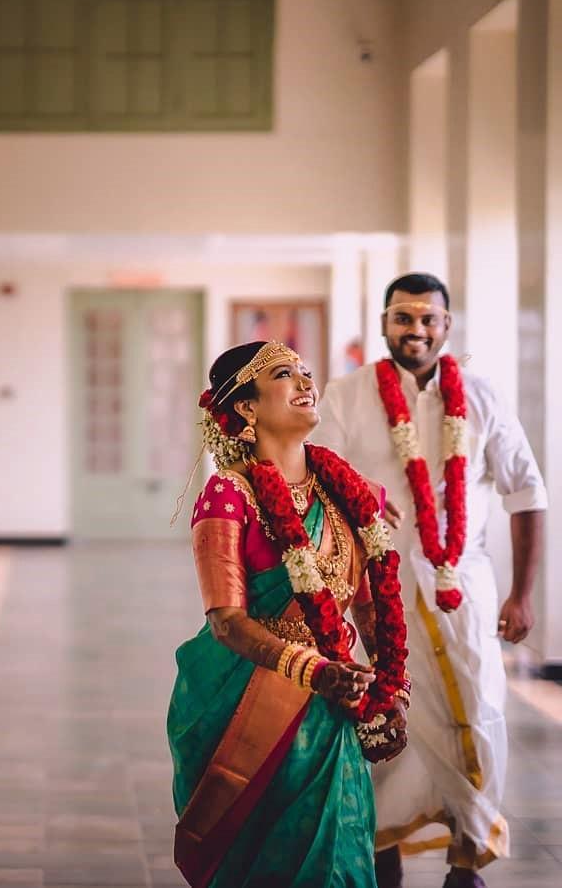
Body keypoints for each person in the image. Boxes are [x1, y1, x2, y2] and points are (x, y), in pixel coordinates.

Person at [311, 273, 547, 888]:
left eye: (427, 319)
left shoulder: (483, 397)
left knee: (477, 711)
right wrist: (356, 492)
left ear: (446, 326)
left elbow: (527, 491)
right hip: (374, 590)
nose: (415, 330)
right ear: (384, 321)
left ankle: (466, 860)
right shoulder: (345, 395)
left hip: (463, 587)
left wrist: (523, 594)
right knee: (386, 719)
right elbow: (313, 476)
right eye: (403, 317)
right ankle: (382, 857)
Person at [167, 340, 411, 888]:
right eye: (285, 374)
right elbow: (226, 620)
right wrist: (315, 671)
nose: (306, 382)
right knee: (265, 859)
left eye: (306, 371)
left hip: (334, 703)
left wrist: (391, 692)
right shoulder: (227, 496)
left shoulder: (345, 490)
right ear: (246, 407)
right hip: (246, 699)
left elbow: (370, 610)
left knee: (338, 854)